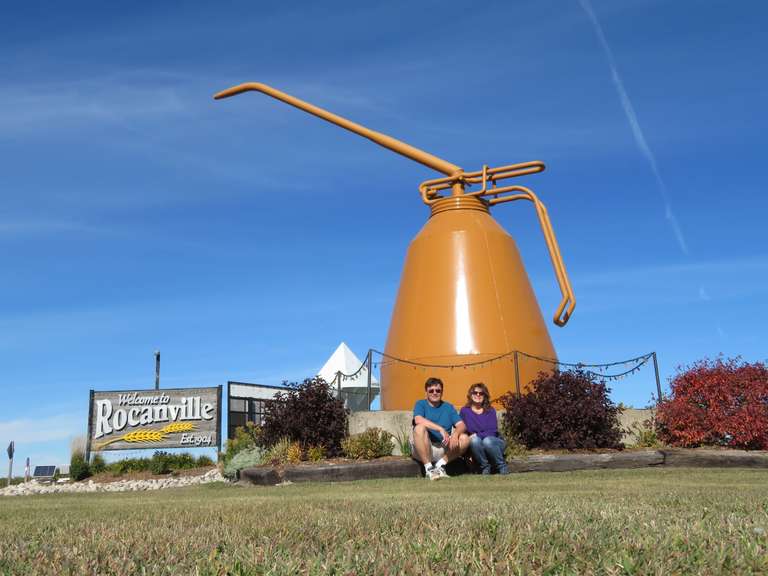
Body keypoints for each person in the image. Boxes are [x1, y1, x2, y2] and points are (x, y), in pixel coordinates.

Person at [411, 377, 469, 480]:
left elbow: (462, 425)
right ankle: (429, 469)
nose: (435, 393)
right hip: (424, 447)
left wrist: (455, 435)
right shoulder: (420, 404)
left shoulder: (448, 407)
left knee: (465, 438)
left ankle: (440, 465)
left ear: (442, 392)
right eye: (431, 390)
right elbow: (418, 420)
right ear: (426, 392)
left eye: (438, 390)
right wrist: (440, 429)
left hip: (443, 447)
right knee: (419, 428)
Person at [459, 383, 509, 475]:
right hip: (477, 445)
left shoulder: (490, 410)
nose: (478, 395)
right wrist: (467, 454)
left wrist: (477, 435)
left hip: (494, 442)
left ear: (485, 396)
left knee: (487, 440)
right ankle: (485, 467)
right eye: (475, 392)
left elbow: (492, 431)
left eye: (481, 393)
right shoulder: (464, 411)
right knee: (474, 440)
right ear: (470, 395)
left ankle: (502, 466)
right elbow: (462, 431)